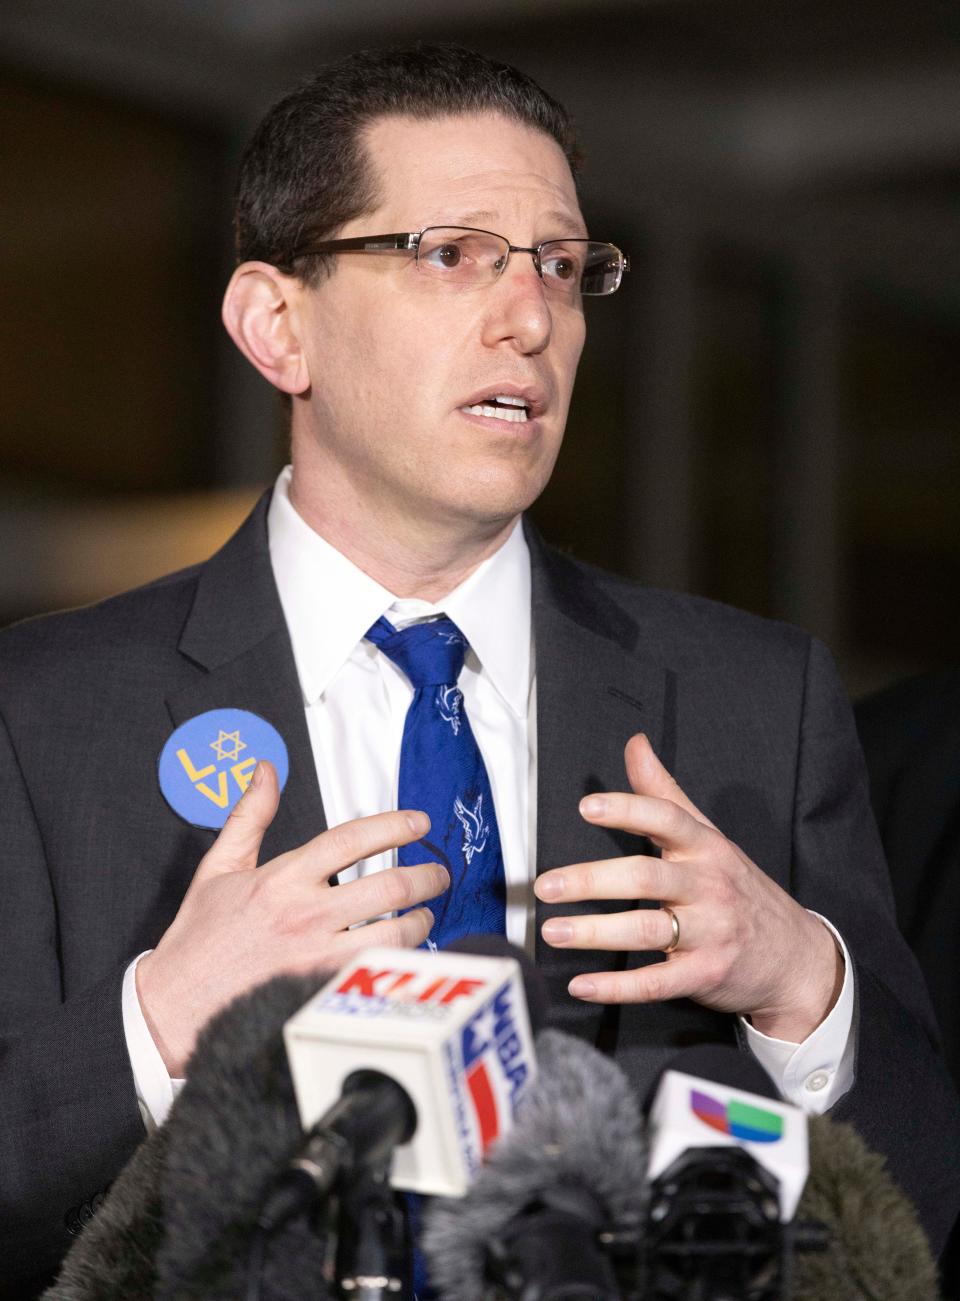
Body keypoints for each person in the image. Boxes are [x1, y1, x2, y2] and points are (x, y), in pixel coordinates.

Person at [1, 44, 957, 1296]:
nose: (532, 317)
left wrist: (800, 988)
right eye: (451, 253)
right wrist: (159, 1020)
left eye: (561, 265)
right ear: (276, 324)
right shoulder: (47, 712)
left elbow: (926, 1207)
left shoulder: (752, 699)